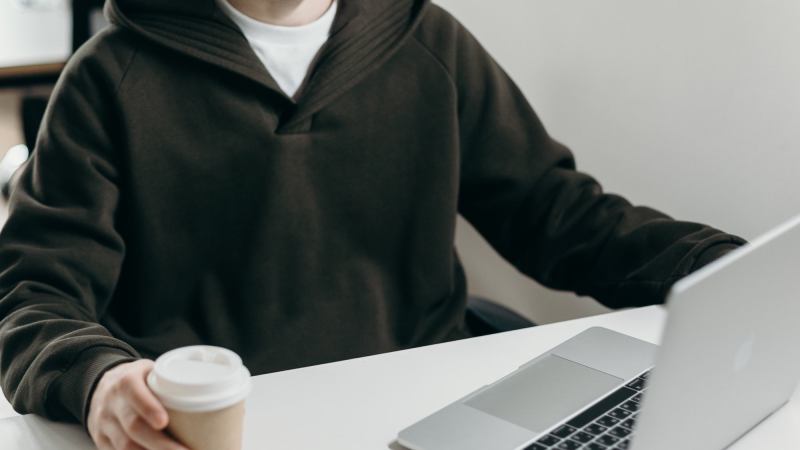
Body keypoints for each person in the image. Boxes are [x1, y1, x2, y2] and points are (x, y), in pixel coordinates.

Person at [0, 0, 746, 449]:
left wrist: (734, 271)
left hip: (424, 405)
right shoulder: (109, 78)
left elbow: (563, 217)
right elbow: (33, 294)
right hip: (225, 426)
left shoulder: (428, 41)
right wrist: (98, 380)